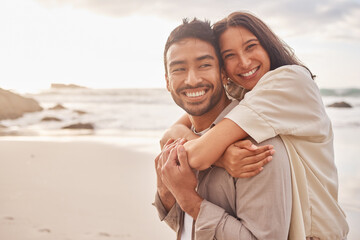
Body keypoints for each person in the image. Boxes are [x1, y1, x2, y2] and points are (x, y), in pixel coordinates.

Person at [164, 12, 349, 239]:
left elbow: (200, 155)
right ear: (224, 69)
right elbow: (173, 131)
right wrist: (223, 156)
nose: (243, 62)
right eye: (229, 55)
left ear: (268, 44)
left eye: (250, 47)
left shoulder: (290, 82)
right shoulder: (247, 91)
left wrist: (215, 158)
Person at [153, 18, 292, 239]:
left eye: (204, 65)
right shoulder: (182, 141)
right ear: (168, 81)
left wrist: (187, 197)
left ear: (223, 74)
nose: (192, 80)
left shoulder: (256, 146)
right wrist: (166, 190)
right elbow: (186, 226)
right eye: (179, 69)